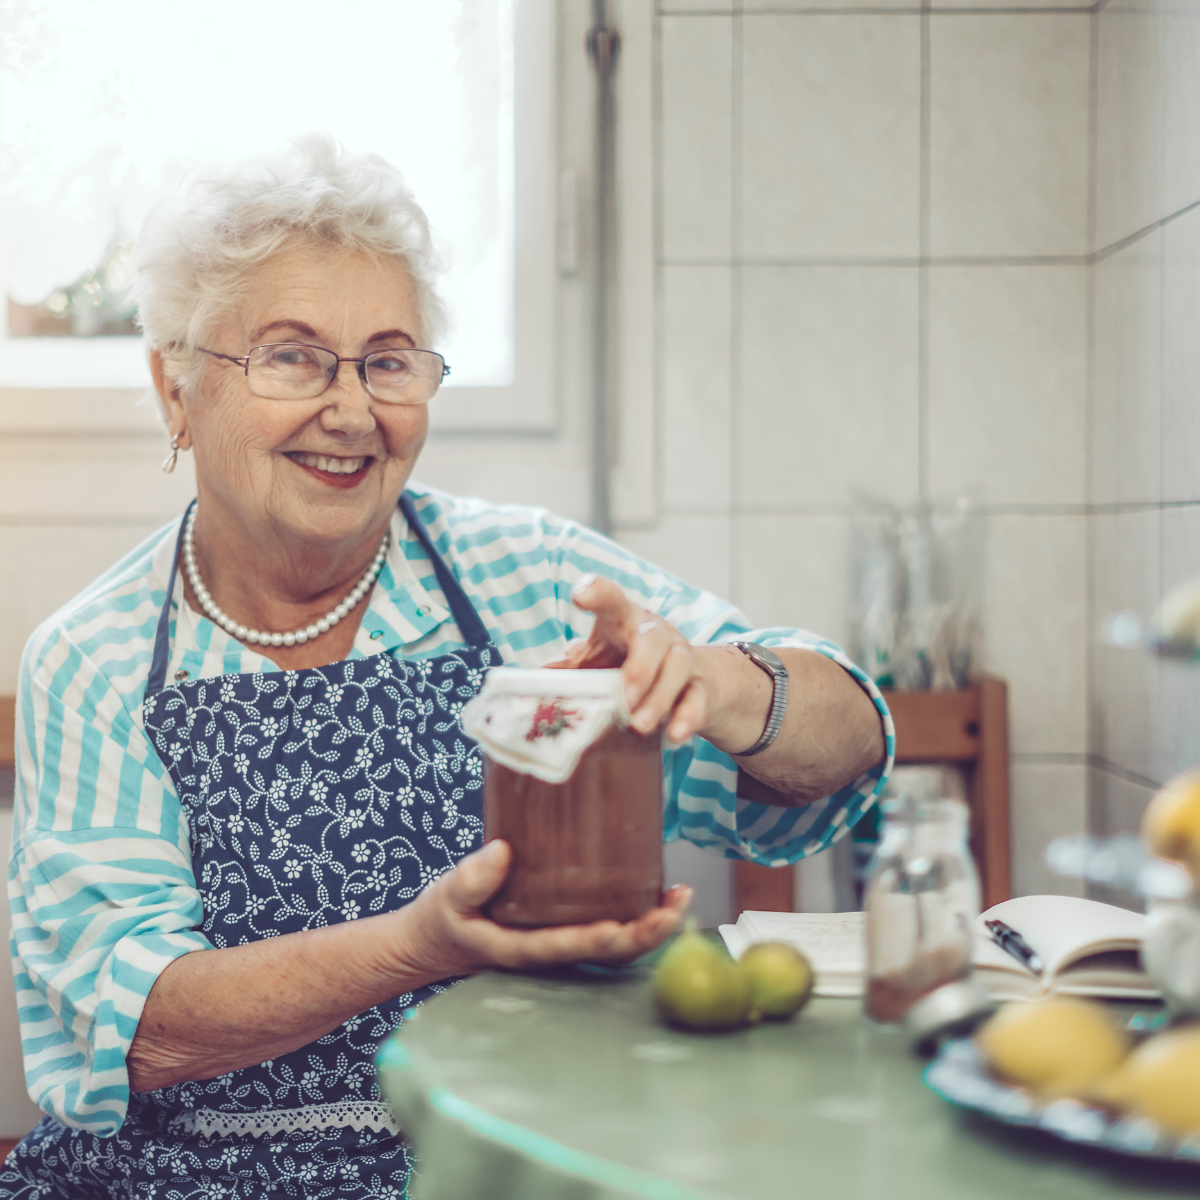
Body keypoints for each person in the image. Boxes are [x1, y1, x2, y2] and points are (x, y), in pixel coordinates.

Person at [2, 135, 892, 1199]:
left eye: (387, 360)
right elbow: (136, 1029)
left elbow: (849, 741)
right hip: (193, 1174)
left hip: (522, 1149)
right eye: (292, 356)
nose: (351, 409)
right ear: (177, 390)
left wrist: (720, 684)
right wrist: (417, 944)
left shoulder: (529, 575)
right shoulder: (93, 659)